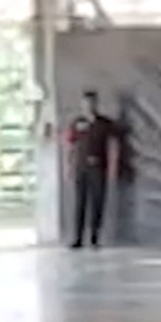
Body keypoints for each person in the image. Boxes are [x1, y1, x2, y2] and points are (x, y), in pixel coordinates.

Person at [66, 89, 119, 248]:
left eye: (91, 103)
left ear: (96, 104)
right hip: (81, 167)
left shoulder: (104, 124)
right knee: (80, 203)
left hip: (98, 167)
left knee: (97, 202)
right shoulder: (77, 123)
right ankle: (78, 238)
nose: (88, 106)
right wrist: (70, 166)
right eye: (85, 103)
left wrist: (113, 166)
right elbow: (71, 145)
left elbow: (114, 144)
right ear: (82, 104)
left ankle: (95, 237)